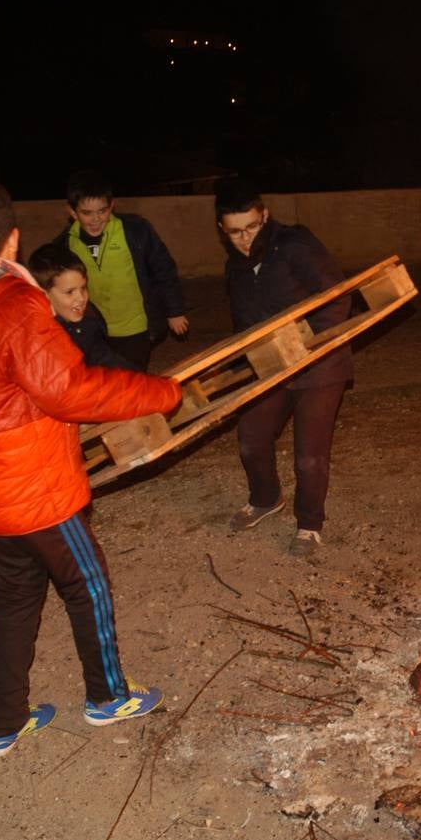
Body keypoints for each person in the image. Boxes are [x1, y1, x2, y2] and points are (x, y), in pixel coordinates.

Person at [0, 176, 183, 757]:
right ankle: (108, 696)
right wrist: (158, 393)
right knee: (88, 585)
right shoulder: (13, 302)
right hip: (31, 490)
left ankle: (3, 722)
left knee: (14, 599)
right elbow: (70, 390)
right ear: (11, 241)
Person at [215, 178, 353, 558]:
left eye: (251, 227)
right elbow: (243, 321)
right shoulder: (236, 265)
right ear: (222, 230)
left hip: (319, 365)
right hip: (271, 367)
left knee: (310, 453)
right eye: (234, 232)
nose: (244, 238)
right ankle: (265, 498)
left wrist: (309, 344)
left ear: (265, 215)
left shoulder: (296, 245)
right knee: (251, 438)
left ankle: (309, 523)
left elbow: (337, 298)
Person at [54, 169, 189, 371]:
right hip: (95, 330)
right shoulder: (64, 245)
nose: (96, 219)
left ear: (112, 206)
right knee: (106, 384)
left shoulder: (136, 230)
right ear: (72, 212)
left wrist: (174, 311)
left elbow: (164, 270)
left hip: (136, 328)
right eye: (87, 213)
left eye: (102, 211)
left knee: (132, 381)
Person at [27, 244, 138, 371]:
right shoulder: (37, 337)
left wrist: (145, 381)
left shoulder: (88, 320)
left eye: (83, 288)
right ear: (42, 294)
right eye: (69, 292)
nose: (81, 298)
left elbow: (104, 358)